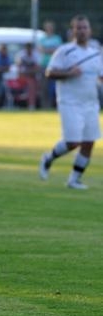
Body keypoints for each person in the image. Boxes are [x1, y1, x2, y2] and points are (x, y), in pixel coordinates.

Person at [39, 15, 103, 190]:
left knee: (89, 142)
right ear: (73, 31)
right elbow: (49, 73)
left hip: (91, 103)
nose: (82, 31)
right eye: (78, 28)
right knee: (73, 142)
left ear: (90, 30)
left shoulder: (96, 53)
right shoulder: (64, 51)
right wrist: (69, 73)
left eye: (85, 27)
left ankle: (74, 180)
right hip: (70, 103)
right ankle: (48, 158)